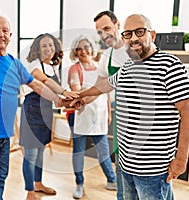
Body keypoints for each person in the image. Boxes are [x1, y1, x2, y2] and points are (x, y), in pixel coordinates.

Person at [71, 14, 189, 200]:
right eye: (128, 34)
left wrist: (181, 160)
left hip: (153, 170)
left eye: (140, 31)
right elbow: (105, 85)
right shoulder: (128, 66)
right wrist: (80, 95)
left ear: (152, 35)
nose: (134, 38)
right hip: (125, 164)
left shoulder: (170, 66)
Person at [0, 15, 75, 200]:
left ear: (10, 35)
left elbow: (36, 85)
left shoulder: (14, 63)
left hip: (4, 136)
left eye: (5, 31)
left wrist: (58, 100)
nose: (1, 34)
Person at [19, 33, 78, 200]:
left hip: (46, 111)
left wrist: (70, 100)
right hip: (31, 111)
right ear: (38, 49)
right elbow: (44, 81)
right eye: (44, 46)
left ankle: (38, 183)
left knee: (40, 151)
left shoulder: (53, 67)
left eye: (51, 45)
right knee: (30, 154)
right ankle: (30, 192)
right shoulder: (33, 65)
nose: (48, 49)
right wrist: (64, 92)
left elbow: (55, 97)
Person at [67, 34, 117, 199]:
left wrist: (109, 112)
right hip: (81, 115)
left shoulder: (100, 67)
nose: (83, 51)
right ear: (75, 51)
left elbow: (107, 93)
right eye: (79, 48)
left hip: (100, 116)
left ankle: (111, 180)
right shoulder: (75, 69)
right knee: (79, 152)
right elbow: (76, 89)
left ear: (92, 48)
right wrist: (89, 94)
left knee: (103, 151)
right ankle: (79, 184)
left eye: (86, 47)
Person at [94, 10, 128, 200]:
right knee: (122, 167)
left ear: (118, 25)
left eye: (107, 28)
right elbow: (99, 87)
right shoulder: (106, 56)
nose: (104, 35)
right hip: (122, 115)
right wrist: (79, 98)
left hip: (146, 118)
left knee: (147, 176)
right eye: (99, 32)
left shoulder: (136, 50)